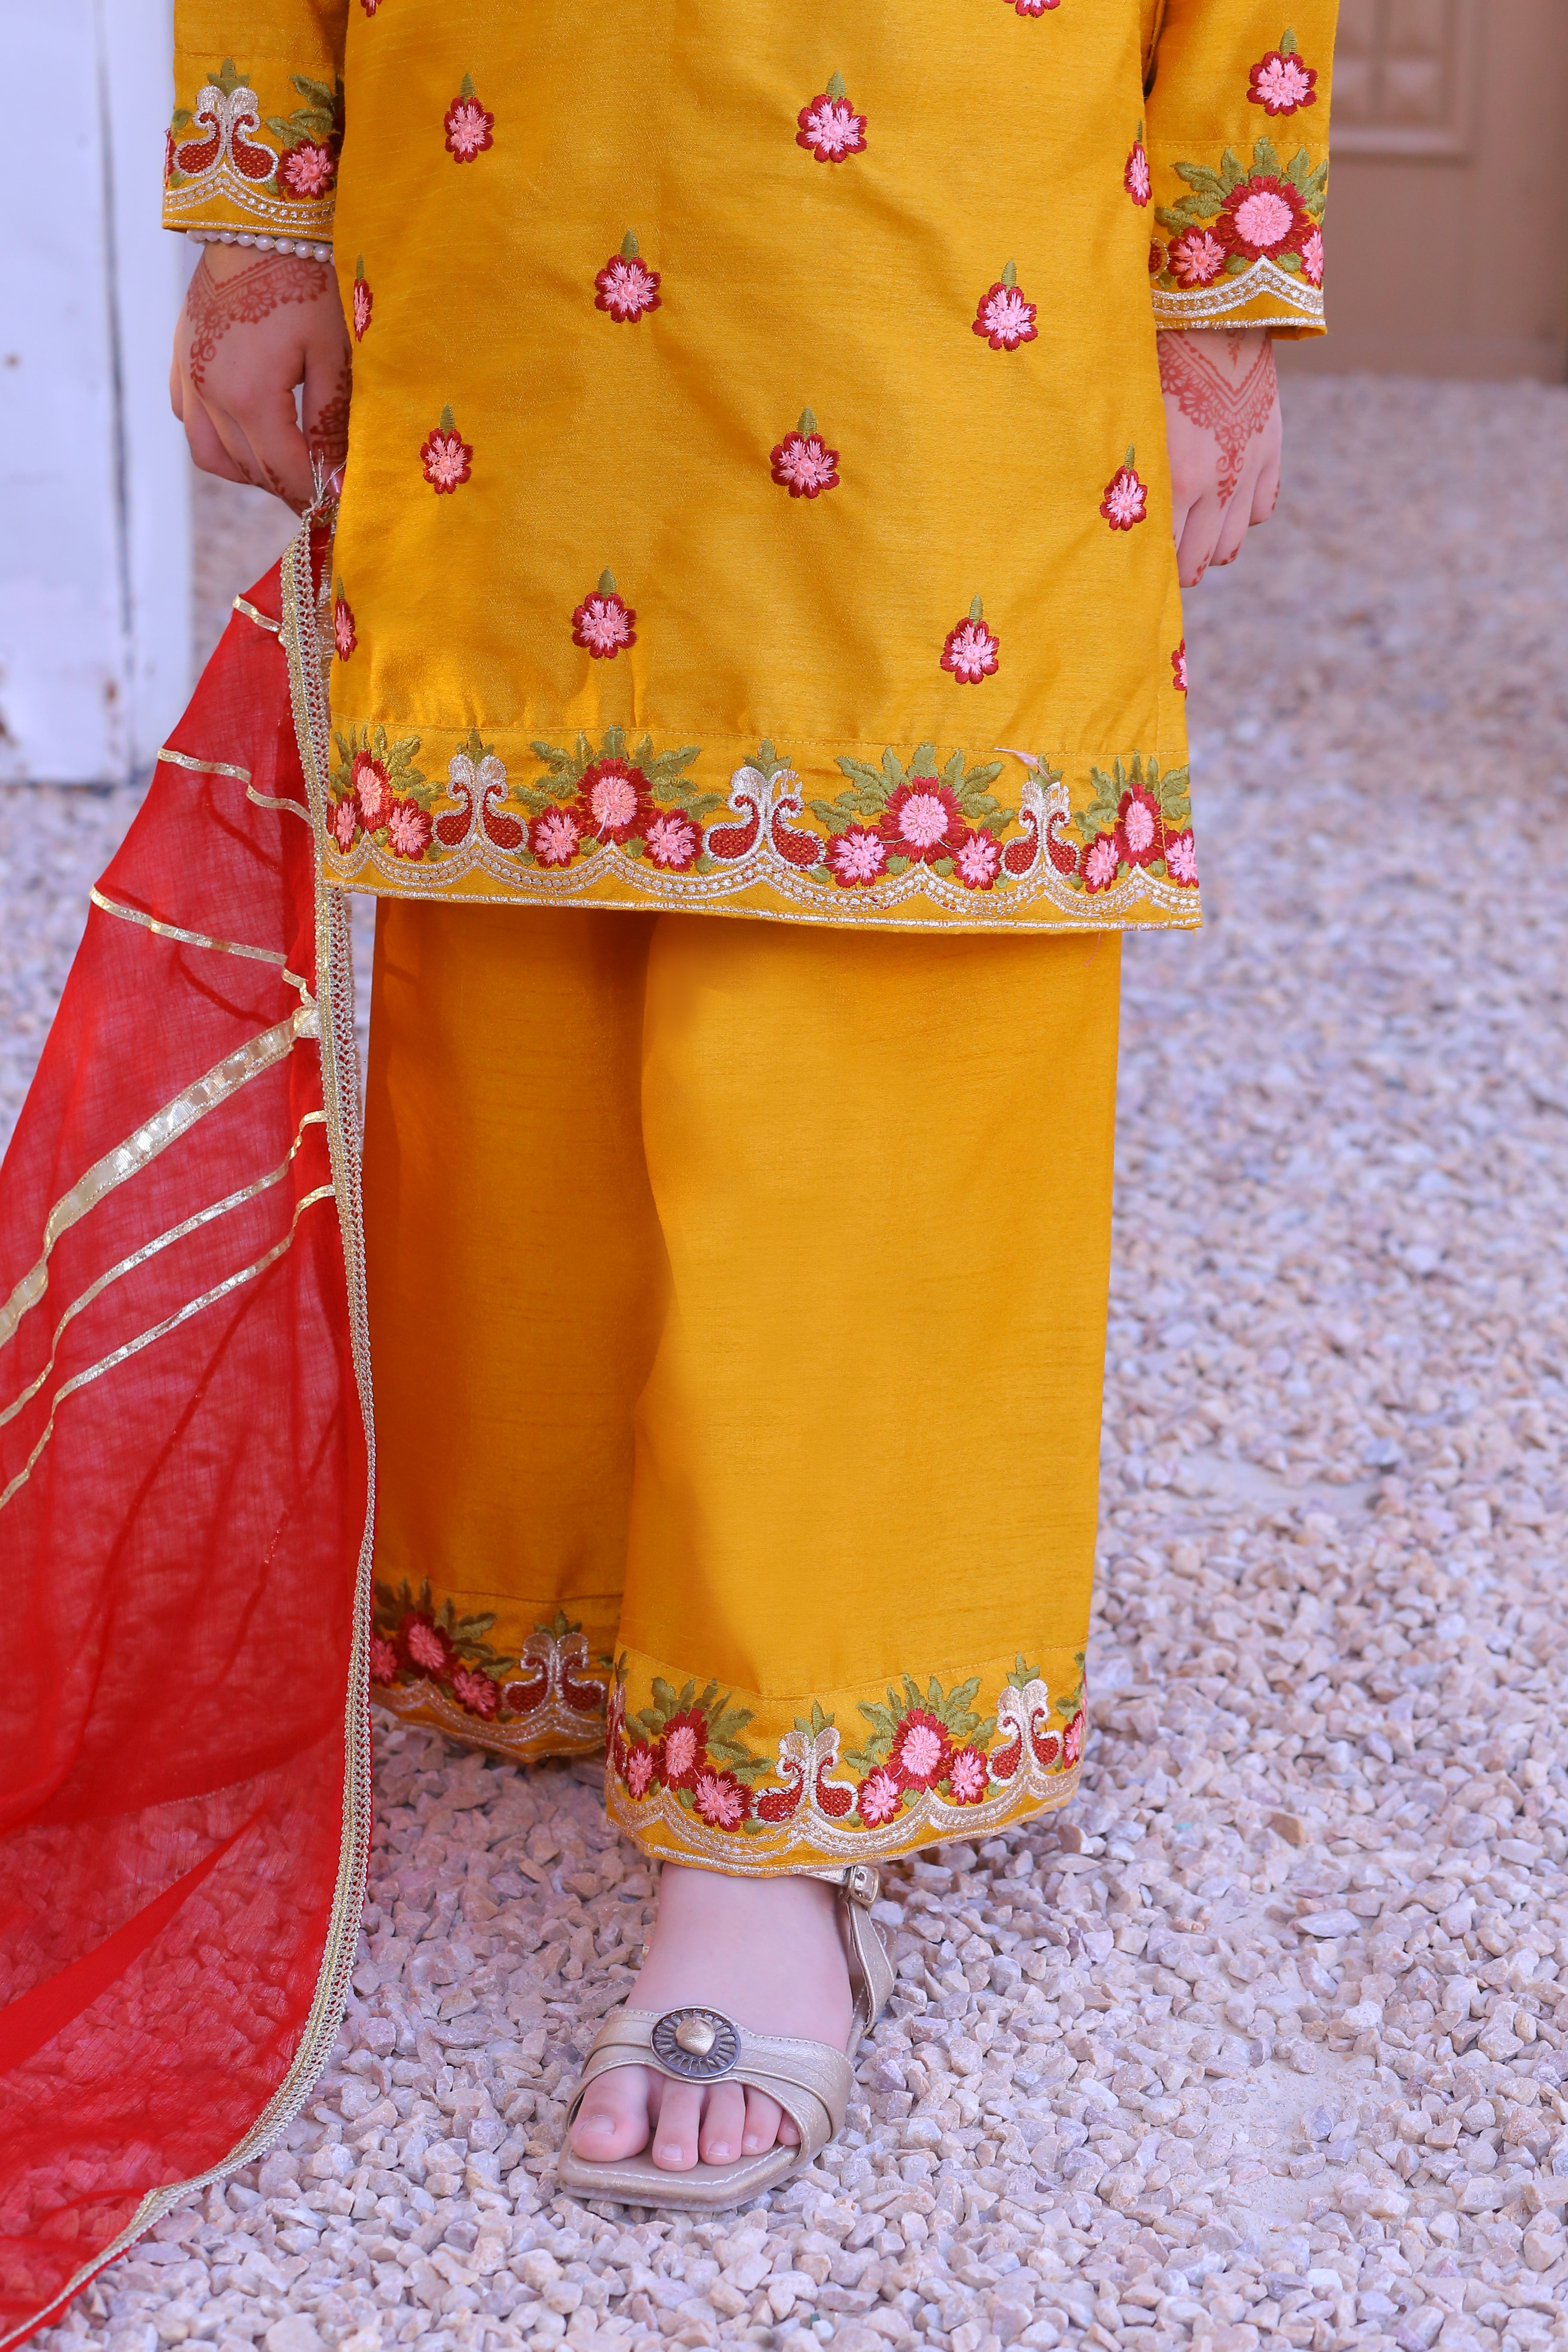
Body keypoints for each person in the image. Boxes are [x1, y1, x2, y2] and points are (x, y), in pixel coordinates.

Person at [1, 4, 1338, 2310]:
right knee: (525, 890)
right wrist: (260, 207)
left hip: (939, 204)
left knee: (871, 924)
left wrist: (1218, 268)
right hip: (508, 164)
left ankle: (778, 1784)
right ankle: (544, 1605)